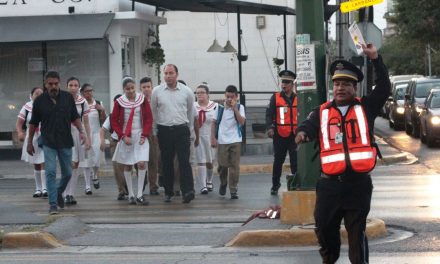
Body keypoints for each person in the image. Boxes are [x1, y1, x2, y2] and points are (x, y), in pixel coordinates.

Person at [295, 43, 390, 264]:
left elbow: (384, 87)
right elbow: (308, 126)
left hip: (358, 185)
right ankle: (330, 259)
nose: (340, 88)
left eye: (346, 84)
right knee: (325, 230)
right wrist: (302, 134)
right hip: (329, 186)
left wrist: (376, 59)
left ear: (354, 88)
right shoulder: (321, 112)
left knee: (357, 235)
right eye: (337, 83)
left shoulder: (365, 107)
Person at [27, 71, 85, 214]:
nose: (53, 86)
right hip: (48, 141)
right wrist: (29, 142)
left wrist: (82, 131)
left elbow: (75, 116)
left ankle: (58, 192)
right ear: (45, 84)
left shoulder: (67, 98)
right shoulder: (39, 101)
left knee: (68, 173)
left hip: (65, 140)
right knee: (50, 172)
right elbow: (33, 123)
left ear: (59, 83)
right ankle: (53, 204)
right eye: (50, 84)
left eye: (56, 84)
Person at [151, 64, 195, 204]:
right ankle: (168, 191)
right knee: (166, 162)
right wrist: (154, 131)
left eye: (171, 73)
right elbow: (154, 112)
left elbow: (190, 111)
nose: (168, 76)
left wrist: (190, 129)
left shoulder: (187, 91)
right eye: (166, 73)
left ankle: (188, 191)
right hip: (164, 130)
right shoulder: (157, 91)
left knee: (184, 161)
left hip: (181, 129)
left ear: (177, 74)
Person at [112, 77, 152, 205]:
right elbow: (114, 121)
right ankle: (131, 194)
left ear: (135, 87)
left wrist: (144, 134)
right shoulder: (119, 102)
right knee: (128, 164)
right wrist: (122, 136)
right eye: (127, 89)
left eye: (132, 88)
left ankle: (140, 194)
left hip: (140, 134)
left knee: (141, 163)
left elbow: (148, 118)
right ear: (123, 89)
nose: (130, 91)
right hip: (126, 136)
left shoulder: (142, 99)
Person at [265, 70, 298, 195]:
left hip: (294, 135)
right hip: (280, 135)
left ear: (292, 84)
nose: (284, 85)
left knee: (295, 161)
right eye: (283, 82)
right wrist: (270, 127)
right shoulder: (276, 97)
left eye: (287, 82)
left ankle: (295, 183)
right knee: (278, 161)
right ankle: (275, 184)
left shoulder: (298, 98)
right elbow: (269, 114)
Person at [211, 85, 246, 199]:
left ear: (236, 97)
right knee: (222, 165)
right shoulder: (219, 108)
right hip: (222, 140)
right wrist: (213, 137)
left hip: (235, 139)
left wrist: (234, 108)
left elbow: (242, 122)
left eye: (232, 97)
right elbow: (214, 123)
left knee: (234, 166)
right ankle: (223, 182)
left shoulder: (240, 107)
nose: (229, 99)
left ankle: (233, 190)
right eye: (227, 96)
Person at [64, 77, 91, 205]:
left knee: (76, 164)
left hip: (78, 133)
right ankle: (64, 192)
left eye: (75, 85)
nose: (73, 87)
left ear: (79, 87)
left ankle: (71, 193)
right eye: (71, 85)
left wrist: (88, 137)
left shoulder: (82, 101)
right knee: (68, 163)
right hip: (64, 133)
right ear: (66, 86)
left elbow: (86, 121)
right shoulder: (61, 99)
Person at [16, 87, 46, 198]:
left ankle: (45, 188)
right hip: (32, 137)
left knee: (44, 161)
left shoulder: (48, 105)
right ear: (31, 95)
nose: (38, 95)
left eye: (41, 93)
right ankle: (38, 188)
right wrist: (20, 133)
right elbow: (19, 123)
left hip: (45, 136)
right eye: (36, 93)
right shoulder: (27, 107)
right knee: (36, 163)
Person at [99, 94, 128, 200]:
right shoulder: (111, 117)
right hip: (116, 143)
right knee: (117, 168)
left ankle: (133, 187)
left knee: (130, 167)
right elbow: (103, 129)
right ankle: (121, 190)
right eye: (116, 103)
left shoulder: (131, 113)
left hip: (129, 142)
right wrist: (102, 140)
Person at [79, 83, 106, 195]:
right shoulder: (80, 104)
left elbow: (104, 121)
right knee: (86, 160)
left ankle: (95, 175)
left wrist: (102, 110)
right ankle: (87, 186)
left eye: (91, 90)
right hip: (85, 134)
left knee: (97, 157)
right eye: (87, 91)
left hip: (97, 133)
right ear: (83, 93)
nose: (89, 93)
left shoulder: (98, 103)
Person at [194, 83, 217, 194]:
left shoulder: (215, 106)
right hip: (198, 136)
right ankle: (203, 186)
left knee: (210, 161)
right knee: (200, 161)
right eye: (197, 93)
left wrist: (215, 137)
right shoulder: (193, 106)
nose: (199, 95)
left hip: (210, 136)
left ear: (208, 94)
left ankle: (209, 181)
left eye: (202, 92)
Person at [139, 77, 160, 195]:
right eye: (144, 87)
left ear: (152, 87)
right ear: (140, 88)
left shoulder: (156, 100)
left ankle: (153, 186)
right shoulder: (138, 100)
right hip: (140, 133)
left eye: (148, 87)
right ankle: (142, 181)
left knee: (153, 160)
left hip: (153, 132)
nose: (146, 89)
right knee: (139, 160)